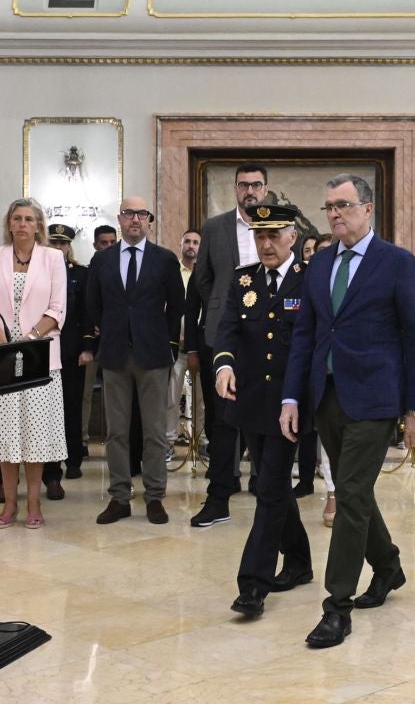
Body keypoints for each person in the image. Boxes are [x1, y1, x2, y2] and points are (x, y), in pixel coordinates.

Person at [280, 175, 415, 650]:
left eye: (343, 205)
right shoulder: (320, 263)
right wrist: (291, 397)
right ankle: (387, 566)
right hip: (327, 396)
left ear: (367, 209)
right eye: (329, 207)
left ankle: (336, 607)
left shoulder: (396, 262)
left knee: (349, 495)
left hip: (375, 398)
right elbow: (305, 334)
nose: (334, 214)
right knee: (355, 491)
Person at [215, 201, 317, 619]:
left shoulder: (309, 279)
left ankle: (253, 585)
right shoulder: (244, 280)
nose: (267, 244)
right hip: (251, 400)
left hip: (290, 403)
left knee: (269, 488)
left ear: (293, 237)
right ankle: (300, 562)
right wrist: (224, 364)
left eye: (274, 235)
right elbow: (228, 328)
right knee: (273, 485)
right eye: (260, 236)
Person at [85, 197, 183, 525]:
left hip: (153, 356)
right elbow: (92, 303)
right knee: (116, 432)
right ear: (120, 219)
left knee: (154, 431)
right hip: (114, 355)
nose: (135, 219)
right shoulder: (102, 260)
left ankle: (154, 497)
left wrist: (169, 345)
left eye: (142, 214)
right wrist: (106, 334)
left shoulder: (164, 259)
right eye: (129, 213)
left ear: (149, 220)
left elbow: (176, 306)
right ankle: (119, 497)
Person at [188, 164, 273, 528]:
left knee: (266, 416)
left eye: (256, 185)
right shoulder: (214, 227)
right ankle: (219, 497)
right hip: (223, 335)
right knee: (222, 420)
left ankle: (268, 493)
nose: (249, 191)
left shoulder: (281, 225)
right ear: (235, 188)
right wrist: (226, 305)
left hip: (269, 336)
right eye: (243, 185)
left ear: (265, 189)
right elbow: (203, 278)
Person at [0, 197, 67, 530]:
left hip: (39, 356)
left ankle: (33, 503)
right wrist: (5, 345)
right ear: (9, 224)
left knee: (35, 433)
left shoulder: (53, 258)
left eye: (29, 219)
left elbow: (57, 308)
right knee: (4, 433)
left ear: (38, 225)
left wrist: (28, 341)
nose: (23, 224)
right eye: (17, 218)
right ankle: (9, 504)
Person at [42, 224, 89, 494]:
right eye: (54, 243)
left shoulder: (80, 274)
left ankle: (73, 459)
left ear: (69, 247)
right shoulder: (40, 272)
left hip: (71, 352)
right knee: (47, 411)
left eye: (63, 244)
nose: (59, 248)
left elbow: (86, 313)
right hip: (44, 351)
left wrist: (86, 347)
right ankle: (49, 467)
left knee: (71, 407)